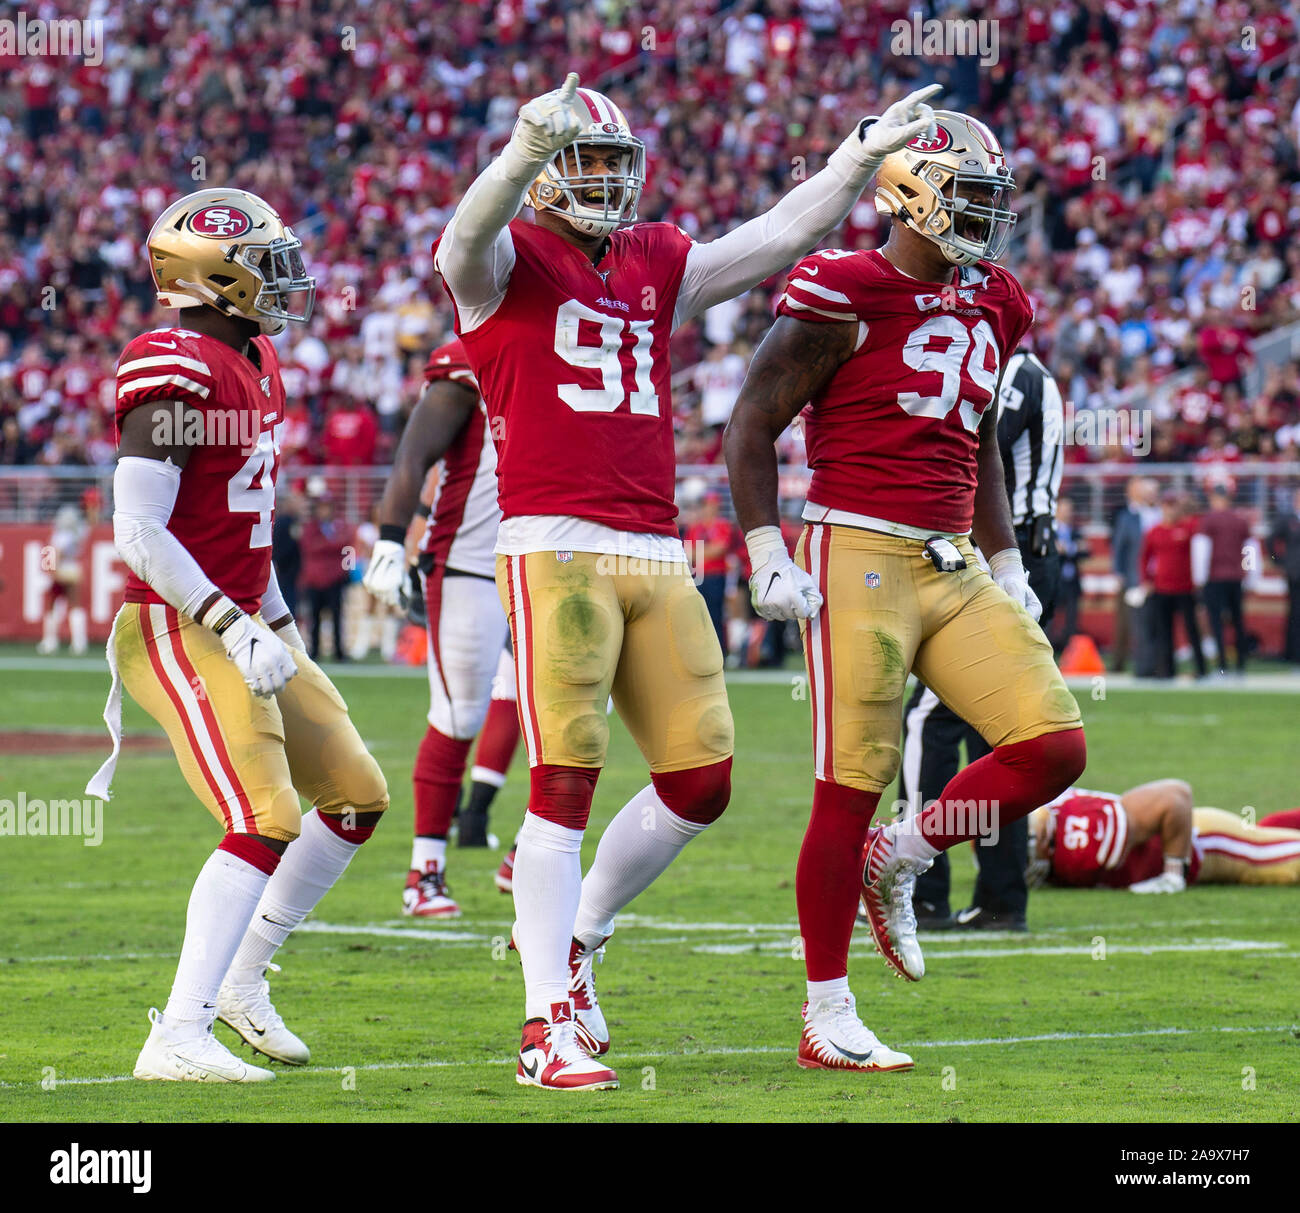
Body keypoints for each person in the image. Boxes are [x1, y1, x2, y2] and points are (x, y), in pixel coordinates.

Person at [434, 73, 946, 1090]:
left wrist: (851, 157)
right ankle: (544, 1027)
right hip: (553, 544)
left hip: (655, 548)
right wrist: (520, 150)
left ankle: (579, 938)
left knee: (701, 781)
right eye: (579, 162)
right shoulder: (502, 259)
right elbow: (460, 240)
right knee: (564, 785)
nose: (602, 181)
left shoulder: (653, 257)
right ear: (541, 175)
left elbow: (768, 240)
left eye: (611, 164)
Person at [724, 109, 1086, 1072]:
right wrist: (765, 546)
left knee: (1053, 745)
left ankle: (911, 850)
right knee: (849, 785)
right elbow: (750, 423)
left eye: (990, 199)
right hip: (859, 551)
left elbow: (973, 436)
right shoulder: (844, 287)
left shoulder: (999, 298)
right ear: (910, 194)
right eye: (968, 195)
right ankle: (825, 1012)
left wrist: (1005, 559)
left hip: (954, 556)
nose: (985, 217)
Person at [85, 188, 388, 1082]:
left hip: (244, 617)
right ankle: (175, 1034)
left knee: (356, 796)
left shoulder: (253, 356)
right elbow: (138, 529)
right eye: (265, 263)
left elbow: (244, 525)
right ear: (208, 275)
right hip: (175, 622)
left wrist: (280, 624)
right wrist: (226, 617)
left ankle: (240, 982)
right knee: (265, 815)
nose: (284, 280)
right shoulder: (174, 358)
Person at [898, 348, 1067, 932]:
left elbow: (965, 436)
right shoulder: (1030, 372)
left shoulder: (1010, 370)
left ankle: (919, 889)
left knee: (928, 716)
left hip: (1002, 555)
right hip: (1023, 552)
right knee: (1007, 729)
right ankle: (1000, 898)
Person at [363, 338, 513, 917]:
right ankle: (424, 871)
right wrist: (390, 540)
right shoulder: (468, 362)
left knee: (574, 707)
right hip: (470, 564)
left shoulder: (566, 339)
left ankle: (530, 850)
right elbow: (414, 455)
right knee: (458, 715)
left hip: (547, 555)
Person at [1029, 781, 1300, 891]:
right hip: (1200, 831)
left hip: (1207, 842)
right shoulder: (1049, 806)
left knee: (1288, 862)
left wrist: (1173, 873)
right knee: (1271, 827)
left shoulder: (1075, 840)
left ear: (1044, 840)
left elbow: (1175, 796)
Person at [1140, 492, 1206, 679]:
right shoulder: (1154, 531)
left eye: (1173, 506)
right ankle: (1167, 670)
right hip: (1162, 588)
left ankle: (1201, 668)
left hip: (1185, 588)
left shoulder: (1187, 527)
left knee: (1192, 629)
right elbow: (1145, 557)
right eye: (1167, 506)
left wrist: (1189, 506)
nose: (1170, 510)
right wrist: (1146, 580)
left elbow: (1199, 524)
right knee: (1165, 632)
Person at [1196, 485, 1251, 674]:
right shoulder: (1240, 520)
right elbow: (1250, 549)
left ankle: (1222, 664)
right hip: (1236, 577)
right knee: (1238, 620)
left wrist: (1199, 578)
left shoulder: (1209, 520)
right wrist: (1250, 576)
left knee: (1216, 621)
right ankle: (1240, 663)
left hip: (1215, 576)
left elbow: (1201, 551)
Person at [1109, 476, 1157, 673]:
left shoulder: (1155, 514)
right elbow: (1119, 546)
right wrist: (1119, 572)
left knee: (1147, 623)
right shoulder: (1126, 516)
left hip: (1151, 578)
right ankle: (1120, 663)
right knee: (1127, 623)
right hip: (1132, 577)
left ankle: (1147, 663)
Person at [299, 492, 353, 662]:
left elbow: (347, 543)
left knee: (337, 617)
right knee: (314, 618)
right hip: (315, 579)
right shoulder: (311, 528)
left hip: (334, 579)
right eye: (322, 508)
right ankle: (314, 651)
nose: (325, 511)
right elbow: (309, 547)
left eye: (327, 507)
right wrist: (332, 545)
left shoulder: (339, 526)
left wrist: (326, 546)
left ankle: (339, 652)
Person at [684, 492, 734, 656]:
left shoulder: (722, 525)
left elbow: (720, 549)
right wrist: (708, 551)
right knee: (697, 615)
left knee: (715, 615)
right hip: (699, 575)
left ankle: (719, 652)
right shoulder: (696, 527)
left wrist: (699, 552)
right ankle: (701, 652)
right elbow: (687, 552)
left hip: (715, 575)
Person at [37, 504, 89, 655]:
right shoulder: (79, 532)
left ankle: (50, 642)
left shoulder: (61, 535)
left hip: (62, 569)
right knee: (75, 605)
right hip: (73, 568)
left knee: (53, 605)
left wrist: (52, 571)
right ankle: (79, 642)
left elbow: (57, 552)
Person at [1268, 488, 1300, 666]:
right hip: (1295, 573)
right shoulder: (1288, 519)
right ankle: (1293, 653)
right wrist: (1278, 561)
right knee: (1295, 613)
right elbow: (1270, 540)